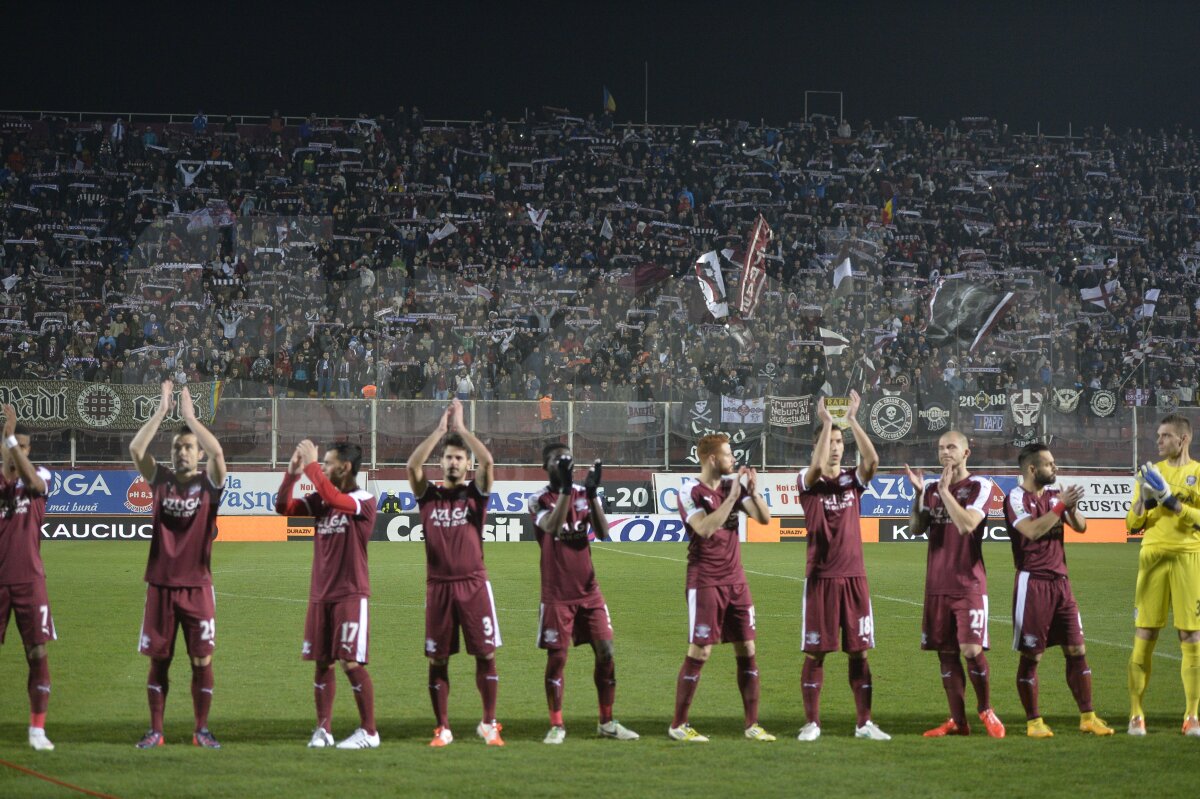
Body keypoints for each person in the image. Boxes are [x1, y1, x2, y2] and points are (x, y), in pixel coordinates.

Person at [128, 380, 227, 749]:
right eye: (176, 447)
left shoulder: (209, 484)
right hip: (161, 586)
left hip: (198, 587)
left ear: (198, 453)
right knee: (160, 661)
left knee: (202, 661)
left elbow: (218, 454)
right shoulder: (161, 480)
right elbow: (136, 448)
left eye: (188, 447)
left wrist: (191, 419)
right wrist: (161, 411)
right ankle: (156, 731)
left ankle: (201, 730)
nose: (181, 452)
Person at [407, 399, 503, 747]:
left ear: (467, 464)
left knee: (486, 654)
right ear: (441, 462)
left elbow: (489, 463)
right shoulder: (428, 496)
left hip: (474, 585)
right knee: (438, 658)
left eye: (459, 458)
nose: (453, 462)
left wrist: (461, 429)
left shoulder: (475, 495)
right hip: (439, 588)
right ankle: (443, 727)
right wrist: (439, 431)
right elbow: (412, 465)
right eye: (448, 457)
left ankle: (489, 723)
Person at [796, 391, 890, 741]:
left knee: (859, 651)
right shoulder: (807, 481)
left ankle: (864, 723)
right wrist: (826, 423)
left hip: (854, 577)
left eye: (839, 442)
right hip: (821, 577)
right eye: (830, 442)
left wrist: (851, 420)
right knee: (817, 652)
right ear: (818, 446)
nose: (836, 447)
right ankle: (812, 723)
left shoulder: (853, 481)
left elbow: (873, 460)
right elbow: (816, 468)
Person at [528, 442, 638, 744]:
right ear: (545, 466)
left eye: (568, 459)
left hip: (589, 591)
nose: (564, 463)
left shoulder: (581, 494)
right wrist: (566, 490)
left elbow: (603, 532)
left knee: (607, 652)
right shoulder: (538, 499)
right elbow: (552, 527)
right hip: (556, 594)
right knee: (557, 659)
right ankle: (557, 725)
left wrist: (591, 494)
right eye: (557, 460)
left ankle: (607, 722)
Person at [668, 432, 775, 743]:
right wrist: (732, 498)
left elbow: (764, 518)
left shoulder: (732, 486)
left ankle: (752, 724)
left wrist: (752, 493)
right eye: (729, 454)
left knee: (748, 647)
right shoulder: (690, 491)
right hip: (705, 580)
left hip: (736, 580)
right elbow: (704, 529)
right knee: (701, 650)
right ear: (713, 459)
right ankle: (678, 724)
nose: (733, 459)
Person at [275, 440, 379, 749]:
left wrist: (310, 466)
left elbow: (335, 498)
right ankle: (324, 730)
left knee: (350, 662)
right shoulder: (322, 500)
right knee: (322, 662)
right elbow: (283, 508)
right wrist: (292, 474)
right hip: (320, 595)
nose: (323, 467)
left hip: (350, 594)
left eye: (328, 463)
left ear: (345, 468)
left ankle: (369, 732)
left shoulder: (363, 500)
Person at [1004, 442, 1113, 738]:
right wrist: (1061, 506)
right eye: (1049, 464)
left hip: (1062, 584)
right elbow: (1032, 531)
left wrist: (1071, 508)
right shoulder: (1015, 497)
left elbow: (1081, 526)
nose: (1055, 467)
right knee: (1032, 656)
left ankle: (1088, 717)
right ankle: (1034, 722)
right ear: (1032, 469)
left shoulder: (1055, 496)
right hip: (1033, 583)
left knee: (1077, 650)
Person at [903, 431, 1005, 738]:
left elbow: (967, 525)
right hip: (937, 584)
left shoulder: (979, 486)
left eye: (951, 447)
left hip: (968, 583)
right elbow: (916, 528)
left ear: (965, 453)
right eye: (940, 448)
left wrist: (944, 492)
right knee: (946, 654)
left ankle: (985, 709)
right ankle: (958, 722)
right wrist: (918, 496)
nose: (945, 452)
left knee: (971, 649)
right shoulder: (931, 489)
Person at [1125, 413, 1200, 736]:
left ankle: (1192, 716)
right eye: (1158, 435)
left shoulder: (1198, 473)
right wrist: (1144, 500)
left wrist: (1172, 502)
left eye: (1165, 436)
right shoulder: (1150, 473)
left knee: (1191, 637)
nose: (1158, 441)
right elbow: (1132, 524)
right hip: (1153, 557)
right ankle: (1136, 714)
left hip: (1189, 558)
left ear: (1183, 439)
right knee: (1145, 634)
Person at [0, 404, 55, 751]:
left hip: (29, 581)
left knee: (37, 652)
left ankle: (37, 730)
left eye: (22, 446)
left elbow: (33, 482)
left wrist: (10, 440)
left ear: (29, 450)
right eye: (11, 445)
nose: (16, 451)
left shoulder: (40, 476)